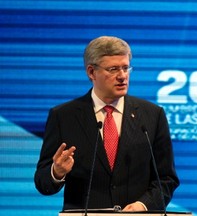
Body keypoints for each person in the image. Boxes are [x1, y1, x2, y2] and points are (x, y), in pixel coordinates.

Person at [34, 36, 179, 212]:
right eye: (113, 69)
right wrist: (57, 172)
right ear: (91, 72)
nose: (122, 76)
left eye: (126, 68)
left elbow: (166, 179)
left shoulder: (152, 115)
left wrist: (143, 205)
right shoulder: (63, 116)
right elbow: (43, 183)